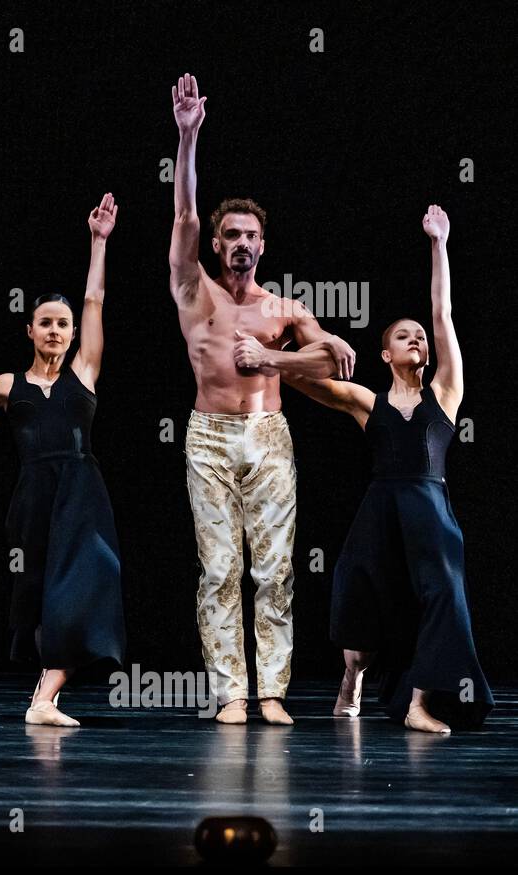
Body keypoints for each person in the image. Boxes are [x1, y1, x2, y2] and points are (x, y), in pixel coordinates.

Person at [168, 73, 357, 725]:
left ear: (263, 245)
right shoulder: (195, 293)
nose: (242, 244)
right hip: (210, 436)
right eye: (232, 237)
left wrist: (275, 355)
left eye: (252, 236)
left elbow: (332, 353)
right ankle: (230, 692)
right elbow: (185, 214)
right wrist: (188, 137)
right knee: (219, 567)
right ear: (216, 247)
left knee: (273, 570)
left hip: (269, 436)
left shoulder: (284, 308)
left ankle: (271, 690)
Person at [282, 206, 492, 734]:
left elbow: (442, 314)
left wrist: (439, 243)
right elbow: (314, 385)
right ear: (384, 353)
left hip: (429, 508)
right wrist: (273, 357)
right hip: (380, 507)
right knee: (359, 592)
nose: (417, 338)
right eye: (404, 335)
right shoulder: (366, 402)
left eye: (419, 336)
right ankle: (352, 674)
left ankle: (419, 703)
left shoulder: (445, 395)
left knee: (444, 594)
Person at [0, 194, 125, 727]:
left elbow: (95, 299)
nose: (56, 331)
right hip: (33, 497)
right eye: (46, 322)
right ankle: (45, 698)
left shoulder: (84, 372)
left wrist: (98, 242)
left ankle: (45, 696)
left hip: (83, 493)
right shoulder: (6, 385)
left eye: (62, 324)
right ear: (30, 330)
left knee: (88, 580)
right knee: (38, 591)